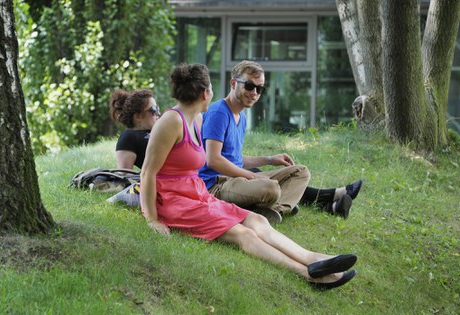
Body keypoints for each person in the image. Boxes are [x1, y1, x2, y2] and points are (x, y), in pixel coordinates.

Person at [139, 63, 357, 290]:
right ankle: (309, 274)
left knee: (258, 220)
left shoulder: (197, 120)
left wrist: (267, 160)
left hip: (197, 194)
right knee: (244, 235)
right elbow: (147, 172)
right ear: (205, 93)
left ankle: (312, 258)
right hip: (175, 201)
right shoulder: (170, 121)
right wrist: (152, 219)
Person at [199, 60, 362, 223]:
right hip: (217, 185)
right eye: (249, 86)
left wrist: (270, 160)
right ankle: (277, 205)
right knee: (271, 188)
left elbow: (235, 158)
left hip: (237, 181)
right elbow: (213, 160)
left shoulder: (241, 117)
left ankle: (275, 211)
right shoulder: (219, 112)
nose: (254, 92)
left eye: (259, 88)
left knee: (300, 172)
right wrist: (251, 176)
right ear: (233, 83)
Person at [109, 89, 161, 170]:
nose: (158, 113)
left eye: (158, 108)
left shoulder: (160, 131)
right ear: (138, 116)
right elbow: (124, 175)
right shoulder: (128, 137)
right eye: (153, 109)